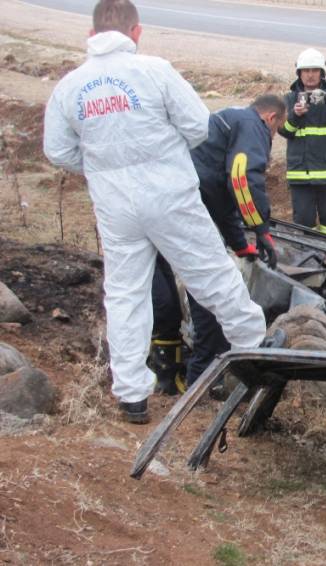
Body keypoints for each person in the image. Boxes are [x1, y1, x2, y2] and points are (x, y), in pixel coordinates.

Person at [43, 0, 267, 424]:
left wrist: (100, 165)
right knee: (212, 275)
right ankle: (255, 353)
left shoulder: (70, 87)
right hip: (170, 196)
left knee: (126, 292)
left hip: (115, 206)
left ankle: (131, 394)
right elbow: (199, 125)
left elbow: (57, 150)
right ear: (136, 31)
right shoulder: (154, 70)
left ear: (91, 36)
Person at [150, 95, 287, 395]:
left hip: (159, 198)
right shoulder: (253, 125)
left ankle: (164, 368)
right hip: (188, 202)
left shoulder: (227, 121)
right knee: (209, 282)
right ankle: (204, 375)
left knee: (155, 277)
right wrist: (261, 229)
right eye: (277, 129)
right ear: (271, 118)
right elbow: (241, 177)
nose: (273, 136)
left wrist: (241, 246)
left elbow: (222, 197)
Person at [279, 48, 326, 236]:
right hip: (301, 175)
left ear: (322, 72)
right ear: (299, 73)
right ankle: (305, 258)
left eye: (315, 70)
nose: (310, 75)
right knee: (303, 223)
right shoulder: (289, 99)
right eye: (306, 71)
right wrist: (295, 116)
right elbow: (284, 131)